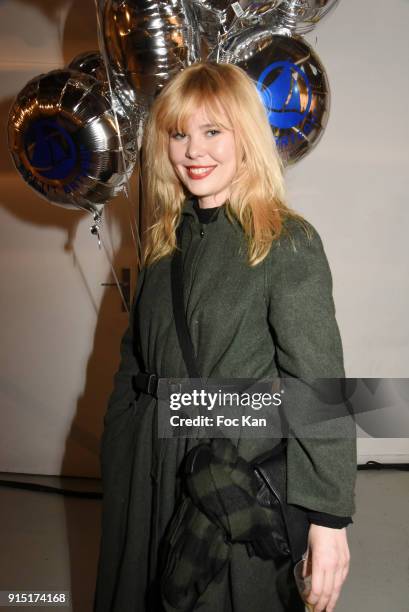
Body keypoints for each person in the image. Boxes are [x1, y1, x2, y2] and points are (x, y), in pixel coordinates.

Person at [93, 61, 357, 612]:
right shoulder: (162, 245)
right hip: (147, 463)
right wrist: (119, 457)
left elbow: (317, 387)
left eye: (213, 131)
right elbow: (131, 366)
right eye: (179, 133)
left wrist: (328, 521)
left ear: (246, 138)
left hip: (227, 470)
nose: (193, 150)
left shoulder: (285, 242)